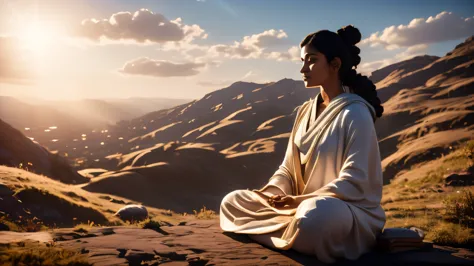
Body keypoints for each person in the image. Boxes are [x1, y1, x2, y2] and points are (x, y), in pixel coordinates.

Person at [219, 25, 386, 264]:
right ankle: (290, 233)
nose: (303, 69)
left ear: (335, 64)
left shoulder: (355, 113)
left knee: (316, 219)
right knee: (232, 201)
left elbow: (356, 182)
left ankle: (269, 231)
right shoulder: (305, 112)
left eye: (311, 61)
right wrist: (272, 194)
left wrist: (299, 201)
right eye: (302, 61)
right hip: (296, 207)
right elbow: (287, 169)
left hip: (343, 211)